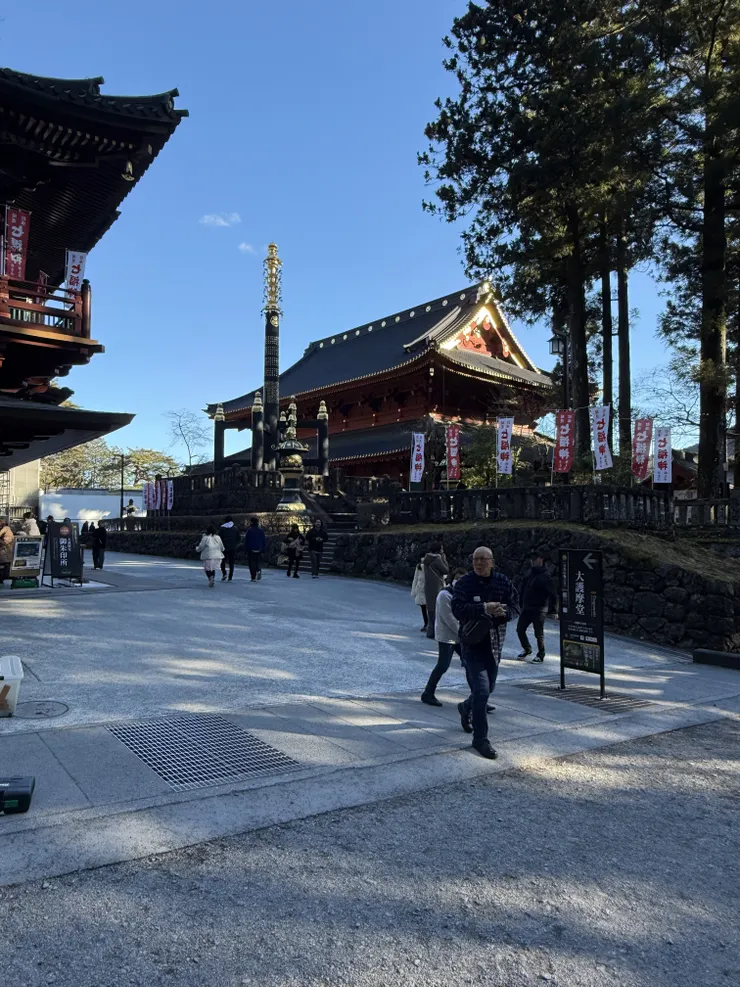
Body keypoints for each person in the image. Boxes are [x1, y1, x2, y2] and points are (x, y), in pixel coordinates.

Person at [452, 546, 519, 759]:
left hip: (495, 643)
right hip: (471, 644)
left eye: (483, 559)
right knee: (481, 691)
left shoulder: (503, 581)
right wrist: (483, 608)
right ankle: (480, 740)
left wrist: (505, 612)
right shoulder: (464, 583)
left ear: (492, 561)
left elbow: (516, 606)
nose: (479, 563)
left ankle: (465, 707)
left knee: (488, 688)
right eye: (475, 560)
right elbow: (457, 609)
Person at [421, 568, 467, 706]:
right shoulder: (444, 595)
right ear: (452, 578)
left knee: (470, 664)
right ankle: (428, 693)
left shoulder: (464, 594)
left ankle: (478, 696)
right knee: (443, 665)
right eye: (457, 578)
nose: (459, 581)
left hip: (460, 635)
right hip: (447, 636)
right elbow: (449, 619)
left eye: (463, 579)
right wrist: (464, 633)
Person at [517, 552, 557, 662]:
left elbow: (552, 594)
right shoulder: (529, 573)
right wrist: (521, 603)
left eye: (535, 559)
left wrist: (553, 610)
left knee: (538, 633)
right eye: (532, 559)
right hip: (527, 607)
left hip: (539, 609)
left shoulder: (545, 576)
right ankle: (527, 648)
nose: (532, 561)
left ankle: (541, 653)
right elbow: (523, 589)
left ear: (541, 560)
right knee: (520, 629)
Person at [423, 543, 449, 639]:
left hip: (428, 586)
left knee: (430, 609)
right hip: (437, 586)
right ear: (439, 550)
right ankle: (436, 632)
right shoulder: (437, 559)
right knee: (437, 609)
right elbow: (446, 570)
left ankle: (430, 631)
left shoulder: (426, 559)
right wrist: (444, 558)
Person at [218, 515, 240, 582]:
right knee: (231, 562)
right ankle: (230, 577)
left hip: (224, 547)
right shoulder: (235, 528)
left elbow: (219, 538)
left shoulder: (222, 528)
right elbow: (238, 538)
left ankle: (224, 573)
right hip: (232, 547)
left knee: (222, 561)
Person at [244, 517, 266, 582]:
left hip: (251, 549)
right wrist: (263, 549)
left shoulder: (249, 530)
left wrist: (245, 550)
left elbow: (246, 541)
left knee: (251, 563)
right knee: (257, 562)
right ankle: (258, 570)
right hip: (259, 548)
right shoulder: (261, 531)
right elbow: (263, 540)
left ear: (251, 522)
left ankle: (253, 577)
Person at [411, 561, 428, 632]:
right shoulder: (419, 566)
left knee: (426, 608)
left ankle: (427, 624)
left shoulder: (433, 563)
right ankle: (426, 624)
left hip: (427, 588)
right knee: (424, 607)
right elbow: (416, 578)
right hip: (421, 588)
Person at [0, 517, 15, 587]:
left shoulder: (6, 529)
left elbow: (5, 541)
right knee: (5, 564)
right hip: (6, 550)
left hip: (5, 550)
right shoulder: (6, 529)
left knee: (4, 564)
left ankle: (3, 578)